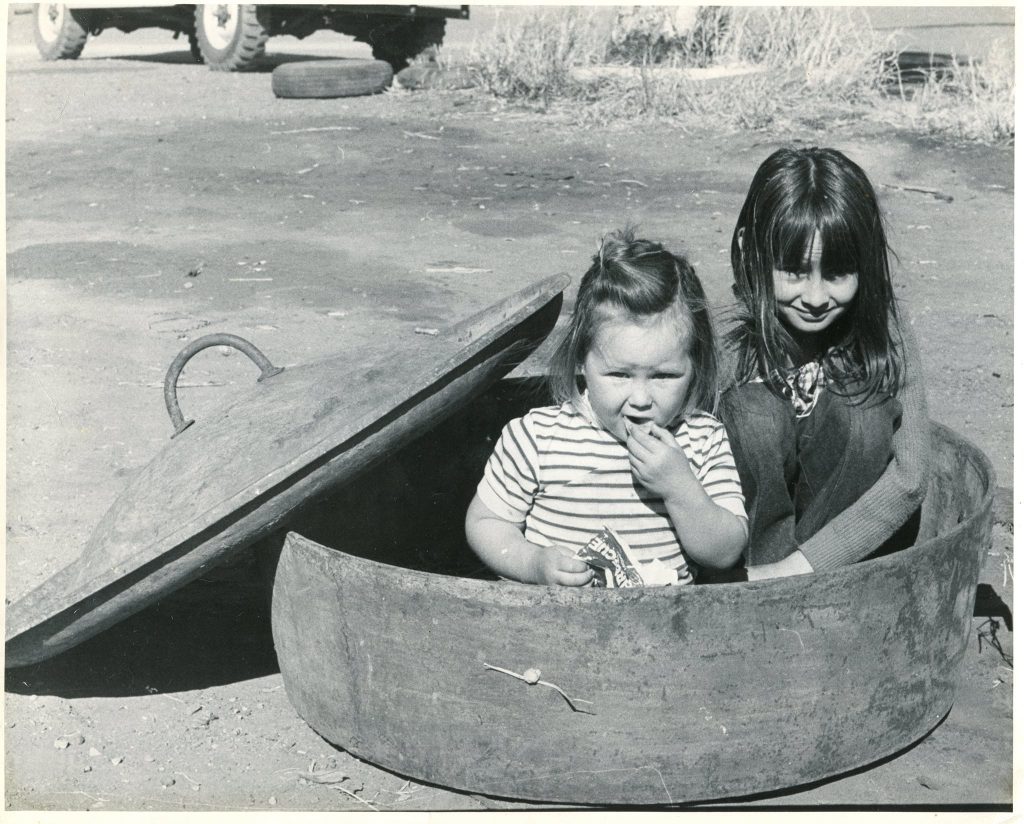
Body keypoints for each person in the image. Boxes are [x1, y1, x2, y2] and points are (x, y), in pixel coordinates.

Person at [465, 228, 748, 586]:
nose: (641, 399)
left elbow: (725, 554)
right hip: (550, 625)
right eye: (619, 374)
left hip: (664, 629)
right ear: (582, 361)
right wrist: (533, 563)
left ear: (696, 365)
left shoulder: (701, 439)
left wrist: (680, 488)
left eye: (664, 376)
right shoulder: (538, 437)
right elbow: (485, 523)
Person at [720, 146, 930, 580]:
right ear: (750, 249)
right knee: (752, 416)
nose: (816, 298)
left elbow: (910, 478)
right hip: (740, 566)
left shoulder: (882, 330)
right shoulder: (726, 338)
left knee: (863, 414)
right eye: (794, 271)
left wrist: (798, 570)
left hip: (831, 566)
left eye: (836, 274)